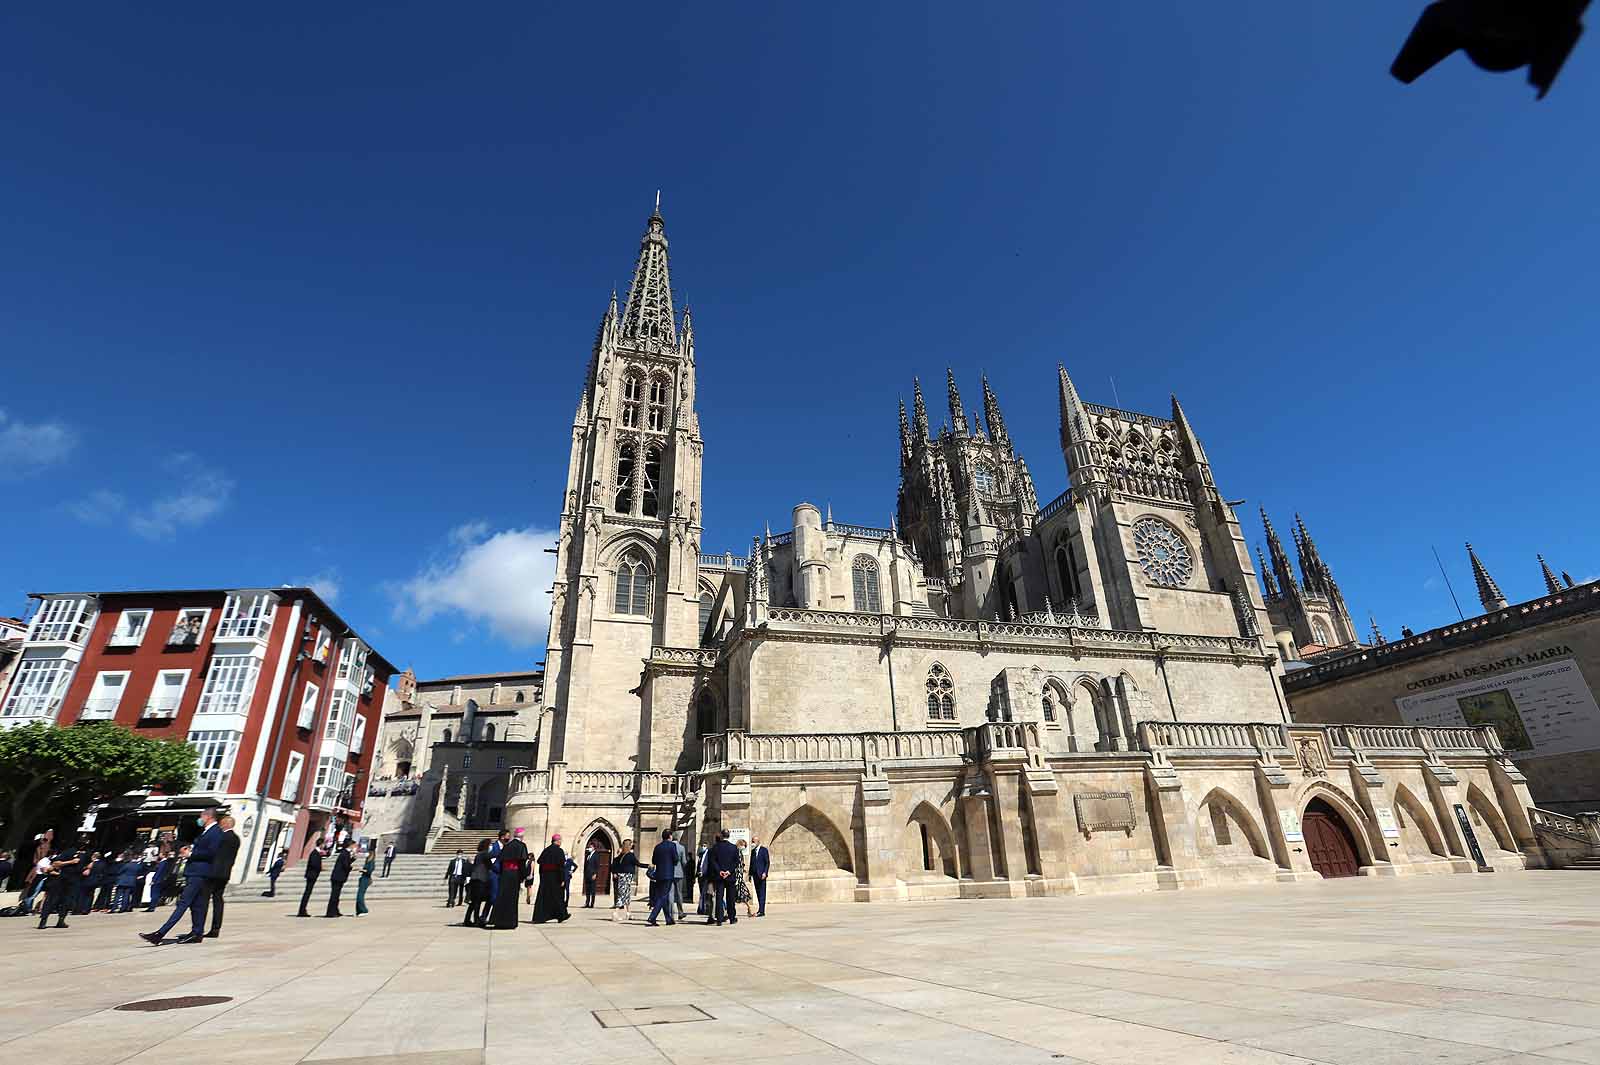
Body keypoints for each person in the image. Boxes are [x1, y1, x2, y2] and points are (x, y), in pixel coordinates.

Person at [142, 808, 222, 945]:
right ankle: (197, 933)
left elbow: (212, 853)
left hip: (199, 872)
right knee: (197, 905)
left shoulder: (215, 832)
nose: (200, 819)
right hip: (196, 872)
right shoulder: (207, 832)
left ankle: (160, 933)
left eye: (201, 816)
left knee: (183, 903)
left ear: (208, 816)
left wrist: (191, 854)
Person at [204, 814, 241, 938]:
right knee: (218, 899)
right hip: (225, 873)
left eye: (221, 824)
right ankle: (216, 928)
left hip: (213, 872)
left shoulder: (221, 837)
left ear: (225, 824)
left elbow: (213, 853)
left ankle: (198, 927)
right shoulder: (236, 838)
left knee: (203, 899)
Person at [492, 829, 530, 928]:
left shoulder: (507, 845)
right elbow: (522, 862)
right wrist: (524, 875)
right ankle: (509, 922)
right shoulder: (522, 846)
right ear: (521, 836)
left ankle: (498, 921)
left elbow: (500, 860)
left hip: (505, 874)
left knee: (502, 897)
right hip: (514, 875)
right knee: (512, 899)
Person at [531, 832, 570, 925]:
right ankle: (562, 915)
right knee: (558, 897)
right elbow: (561, 867)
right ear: (557, 841)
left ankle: (540, 917)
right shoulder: (559, 851)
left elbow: (540, 861)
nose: (561, 842)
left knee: (544, 897)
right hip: (556, 878)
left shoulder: (546, 850)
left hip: (545, 878)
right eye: (560, 840)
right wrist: (562, 879)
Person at [37, 849, 80, 929]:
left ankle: (61, 921)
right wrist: (71, 862)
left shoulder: (86, 855)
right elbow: (55, 864)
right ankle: (43, 920)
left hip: (72, 882)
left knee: (66, 902)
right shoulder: (68, 852)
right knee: (52, 900)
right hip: (60, 881)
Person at [706, 830, 740, 926]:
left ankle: (719, 919)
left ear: (721, 836)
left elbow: (713, 861)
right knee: (731, 898)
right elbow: (736, 862)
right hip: (730, 876)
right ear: (729, 836)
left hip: (719, 877)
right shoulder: (734, 848)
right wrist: (729, 871)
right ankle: (732, 918)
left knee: (719, 898)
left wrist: (720, 871)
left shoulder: (715, 848)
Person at [646, 830, 679, 926]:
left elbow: (654, 860)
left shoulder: (657, 846)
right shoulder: (672, 846)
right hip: (668, 874)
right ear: (669, 836)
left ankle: (668, 919)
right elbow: (676, 859)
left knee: (662, 895)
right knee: (663, 896)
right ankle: (652, 917)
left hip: (659, 874)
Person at [463, 839, 493, 928]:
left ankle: (467, 919)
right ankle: (476, 920)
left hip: (475, 879)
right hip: (480, 879)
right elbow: (490, 865)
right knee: (477, 901)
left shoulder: (479, 854)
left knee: (474, 901)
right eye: (490, 845)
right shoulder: (485, 854)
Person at [610, 839, 641, 923]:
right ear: (629, 845)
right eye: (631, 844)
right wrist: (648, 865)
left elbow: (615, 864)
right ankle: (615, 913)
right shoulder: (630, 855)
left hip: (623, 876)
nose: (632, 846)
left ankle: (628, 913)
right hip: (626, 876)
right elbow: (637, 864)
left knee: (626, 895)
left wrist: (615, 872)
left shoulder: (621, 855)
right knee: (622, 895)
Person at [324, 839, 355, 917]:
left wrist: (353, 859)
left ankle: (335, 910)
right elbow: (346, 865)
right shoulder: (345, 853)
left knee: (336, 896)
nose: (354, 847)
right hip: (338, 877)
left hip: (339, 877)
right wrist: (353, 868)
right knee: (334, 895)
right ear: (350, 845)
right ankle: (330, 912)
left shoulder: (345, 853)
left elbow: (346, 862)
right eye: (354, 845)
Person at [297, 843, 325, 917]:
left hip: (313, 875)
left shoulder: (317, 853)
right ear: (321, 844)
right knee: (307, 892)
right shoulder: (314, 853)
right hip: (311, 875)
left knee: (308, 892)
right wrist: (320, 868)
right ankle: (302, 910)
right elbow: (313, 864)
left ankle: (303, 910)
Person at [748, 837, 771, 917]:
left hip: (762, 875)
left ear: (758, 842)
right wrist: (750, 875)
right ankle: (760, 910)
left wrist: (765, 872)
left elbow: (767, 862)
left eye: (753, 841)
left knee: (762, 892)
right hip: (755, 875)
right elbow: (751, 863)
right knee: (758, 892)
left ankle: (762, 911)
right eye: (752, 841)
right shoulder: (753, 851)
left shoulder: (764, 850)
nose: (752, 843)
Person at [734, 839, 756, 918]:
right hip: (736, 878)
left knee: (742, 894)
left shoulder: (739, 853)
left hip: (739, 877)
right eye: (744, 846)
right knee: (741, 894)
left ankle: (749, 910)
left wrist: (742, 869)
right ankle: (749, 910)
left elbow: (740, 864)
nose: (744, 847)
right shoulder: (736, 852)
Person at [672, 834, 689, 921]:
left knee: (670, 893)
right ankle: (680, 912)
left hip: (670, 873)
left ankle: (671, 913)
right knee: (679, 893)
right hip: (679, 873)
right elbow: (684, 861)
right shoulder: (681, 847)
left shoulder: (670, 846)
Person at [355, 845, 376, 916]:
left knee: (360, 895)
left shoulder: (371, 862)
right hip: (363, 878)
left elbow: (369, 871)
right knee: (359, 895)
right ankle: (359, 910)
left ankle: (363, 910)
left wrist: (361, 870)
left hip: (366, 879)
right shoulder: (367, 861)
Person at [581, 843, 600, 909]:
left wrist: (595, 874)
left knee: (592, 890)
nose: (589, 848)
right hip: (587, 874)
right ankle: (587, 903)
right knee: (587, 889)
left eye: (591, 847)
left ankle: (592, 904)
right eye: (589, 847)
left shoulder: (596, 855)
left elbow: (597, 865)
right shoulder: (588, 855)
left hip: (592, 874)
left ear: (594, 847)